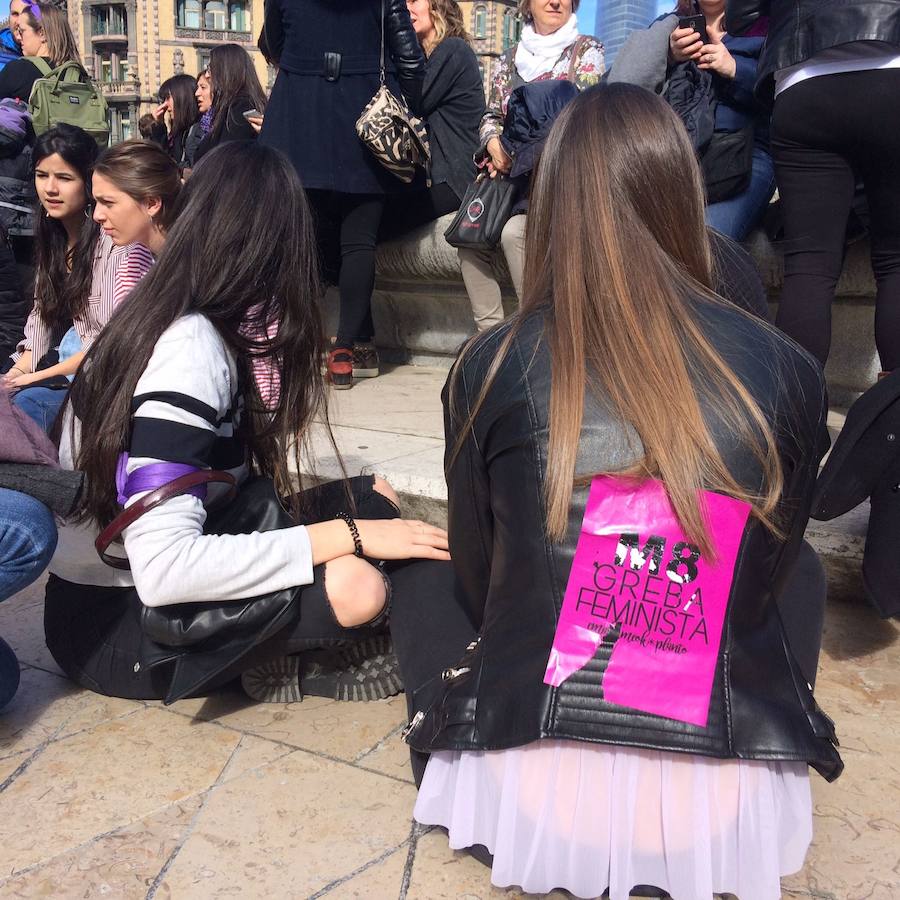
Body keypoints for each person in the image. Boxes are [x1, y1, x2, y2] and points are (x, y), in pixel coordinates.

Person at [390, 84, 842, 899]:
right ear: (682, 193)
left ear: (553, 204)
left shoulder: (493, 363)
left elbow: (478, 568)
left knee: (423, 575)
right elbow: (770, 575)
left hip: (533, 807)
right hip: (722, 819)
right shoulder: (788, 371)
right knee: (800, 570)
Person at [43, 141, 450, 705]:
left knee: (375, 494)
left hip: (151, 569)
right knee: (356, 585)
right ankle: (292, 660)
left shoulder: (189, 314)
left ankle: (286, 652)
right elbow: (166, 568)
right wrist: (345, 537)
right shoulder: (187, 350)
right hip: (116, 626)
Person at [726, 0, 900, 376]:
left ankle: (797, 421)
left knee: (809, 266)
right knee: (896, 261)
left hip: (805, 81)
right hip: (893, 69)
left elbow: (741, 16)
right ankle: (892, 419)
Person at [259, 0, 426, 389]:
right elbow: (412, 60)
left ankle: (290, 343)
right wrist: (405, 103)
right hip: (364, 112)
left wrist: (307, 67)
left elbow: (275, 43)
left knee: (298, 238)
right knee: (359, 241)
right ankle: (344, 351)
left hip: (298, 113)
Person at [459, 0, 603, 332]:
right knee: (469, 241)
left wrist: (516, 153)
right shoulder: (508, 59)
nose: (556, 2)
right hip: (510, 181)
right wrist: (494, 143)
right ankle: (490, 341)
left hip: (558, 180)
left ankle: (537, 337)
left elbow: (576, 117)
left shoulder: (586, 51)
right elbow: (491, 116)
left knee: (514, 234)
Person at [3, 125, 153, 430]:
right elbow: (38, 328)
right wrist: (13, 376)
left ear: (88, 183)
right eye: (42, 175)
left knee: (25, 407)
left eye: (64, 178)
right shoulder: (53, 240)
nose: (50, 189)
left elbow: (108, 344)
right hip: (66, 372)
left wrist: (31, 380)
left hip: (107, 382)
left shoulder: (117, 245)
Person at [665, 0, 773, 240]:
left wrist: (734, 68)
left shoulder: (765, 24)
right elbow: (632, 88)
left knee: (707, 245)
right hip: (680, 161)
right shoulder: (669, 28)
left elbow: (780, 90)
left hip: (746, 158)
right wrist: (669, 57)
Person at [380, 0, 484, 239]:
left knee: (372, 222)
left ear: (438, 7)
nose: (405, 8)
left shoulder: (453, 51)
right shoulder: (429, 59)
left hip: (456, 183)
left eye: (414, 0)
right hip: (438, 180)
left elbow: (411, 101)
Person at [91, 139, 181, 259]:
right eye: (96, 202)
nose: (96, 215)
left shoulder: (197, 266)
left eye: (108, 203)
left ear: (151, 204)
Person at [193, 44, 265, 163]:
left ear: (226, 69)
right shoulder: (232, 106)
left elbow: (226, 159)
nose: (207, 75)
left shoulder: (240, 107)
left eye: (211, 69)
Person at [0, 3, 80, 102]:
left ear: (42, 33)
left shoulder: (17, 70)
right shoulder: (77, 73)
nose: (19, 37)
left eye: (22, 31)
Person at [149, 74, 199, 170]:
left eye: (168, 98)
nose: (165, 105)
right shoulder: (179, 132)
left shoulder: (198, 130)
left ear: (182, 97)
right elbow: (161, 159)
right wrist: (159, 126)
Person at [183, 69, 212, 169]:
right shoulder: (196, 126)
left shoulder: (228, 123)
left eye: (203, 87)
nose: (197, 93)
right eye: (197, 88)